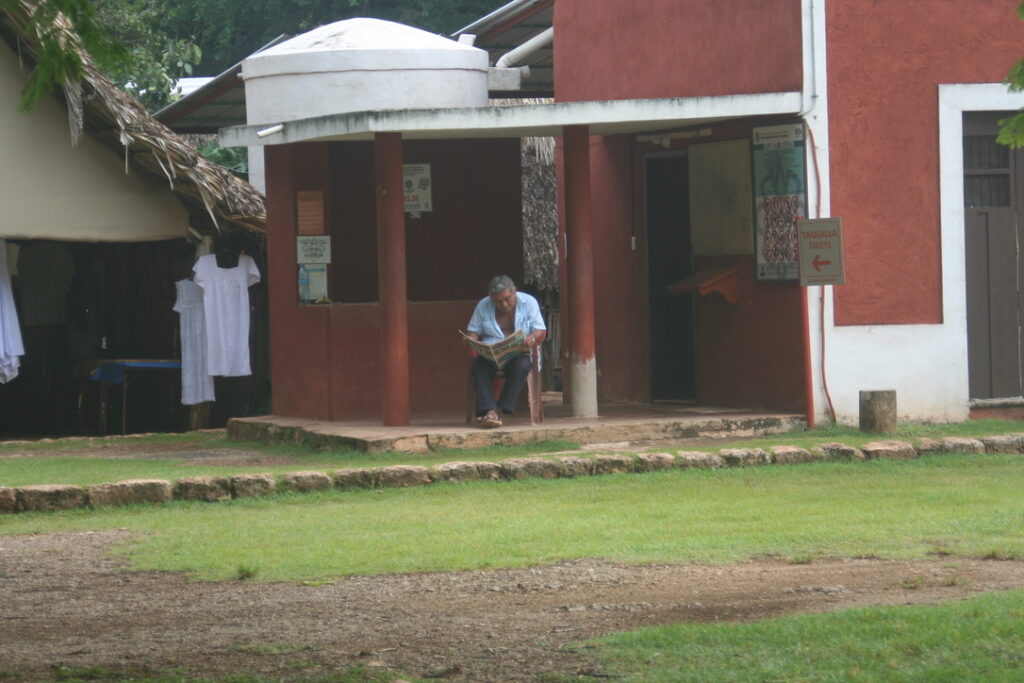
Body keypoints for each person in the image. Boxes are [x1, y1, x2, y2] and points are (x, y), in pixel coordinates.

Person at [464, 275, 546, 428]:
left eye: (507, 298)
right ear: (491, 298)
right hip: (492, 354)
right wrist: (471, 339)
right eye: (498, 301)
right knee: (478, 366)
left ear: (514, 292)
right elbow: (473, 331)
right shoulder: (483, 305)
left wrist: (531, 337)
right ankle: (490, 409)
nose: (503, 304)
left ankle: (497, 409)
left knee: (521, 366)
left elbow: (540, 330)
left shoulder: (529, 302)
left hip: (519, 353)